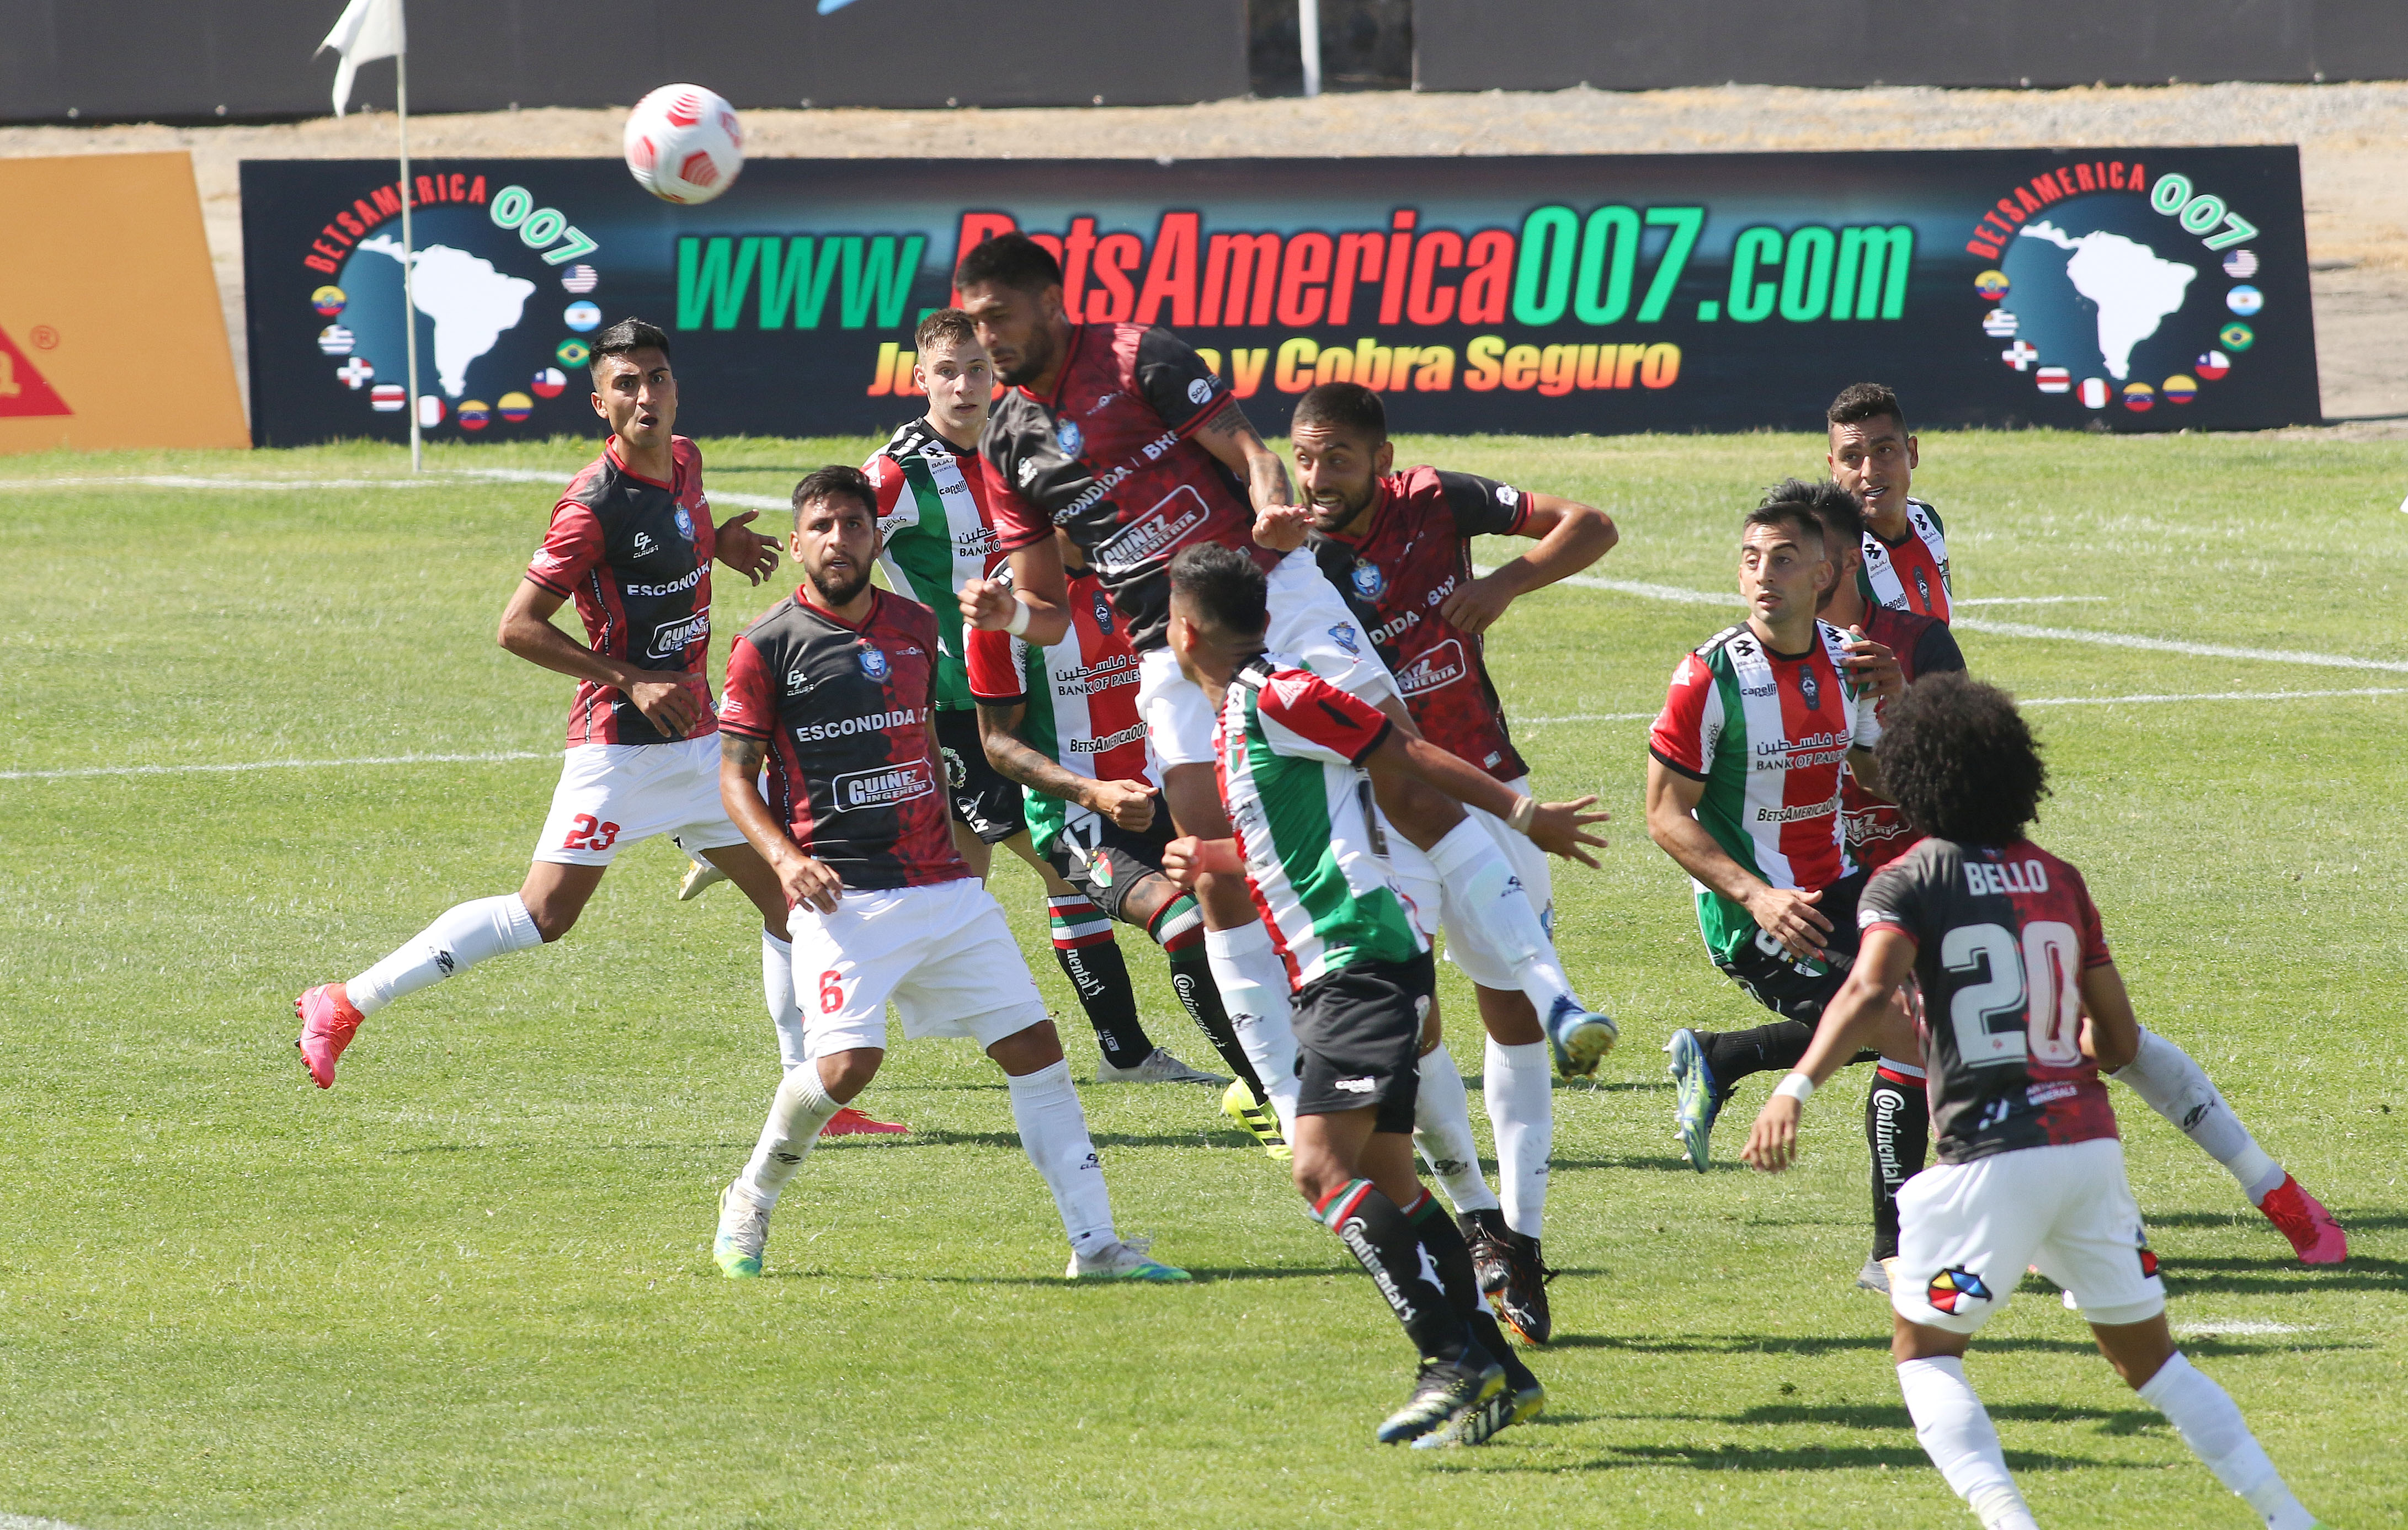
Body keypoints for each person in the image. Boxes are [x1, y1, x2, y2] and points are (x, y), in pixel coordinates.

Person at [953, 231, 1613, 1164]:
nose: (988, 338)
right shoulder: (1006, 442)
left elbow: (1253, 454)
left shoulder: (1136, 355)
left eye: (999, 317)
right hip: (1167, 647)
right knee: (1212, 869)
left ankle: (1555, 997)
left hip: (1277, 594)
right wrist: (1001, 612)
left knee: (1401, 781)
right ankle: (1280, 1097)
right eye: (973, 322)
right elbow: (1051, 614)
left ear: (1051, 302)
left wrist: (1269, 506)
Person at [1741, 675, 2333, 1530]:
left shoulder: (1906, 878)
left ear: (1911, 778)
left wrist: (1796, 1086)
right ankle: (2289, 1518)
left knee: (1926, 1357)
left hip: (1990, 1155)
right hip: (2088, 1149)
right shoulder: (2060, 878)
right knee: (2156, 1367)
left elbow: (1871, 989)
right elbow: (2121, 1045)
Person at [1815, 483, 2345, 1272]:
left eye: (1810, 555)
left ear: (1846, 557)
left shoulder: (1912, 644)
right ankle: (2234, 1203)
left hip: (1936, 871)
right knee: (2054, 1044)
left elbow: (1939, 759)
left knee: (1951, 1055)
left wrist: (1890, 713)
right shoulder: (1760, 664)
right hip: (1870, 882)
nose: (1793, 573)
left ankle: (1928, 1248)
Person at [1160, 543, 1607, 1445]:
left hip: (1357, 962)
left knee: (1318, 1168)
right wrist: (1211, 857)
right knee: (1390, 1181)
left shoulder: (1275, 693)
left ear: (1183, 632)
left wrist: (1527, 817)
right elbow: (1298, 833)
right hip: (1351, 964)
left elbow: (1400, 749)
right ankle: (1502, 1370)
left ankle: (1449, 1355)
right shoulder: (1241, 713)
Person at [292, 318, 809, 1095]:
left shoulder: (688, 461)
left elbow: (670, 540)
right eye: (626, 384)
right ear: (599, 401)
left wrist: (718, 546)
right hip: (622, 748)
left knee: (791, 904)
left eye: (657, 377)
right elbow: (517, 627)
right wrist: (629, 677)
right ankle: (343, 1002)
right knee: (543, 916)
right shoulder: (590, 504)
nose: (646, 395)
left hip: (700, 744)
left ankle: (811, 1096)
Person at [707, 466, 1184, 1284]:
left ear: (873, 537)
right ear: (796, 544)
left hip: (943, 887)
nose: (838, 540)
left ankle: (1097, 1245)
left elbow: (927, 742)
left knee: (1035, 1048)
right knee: (845, 1070)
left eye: (854, 525)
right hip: (844, 896)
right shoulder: (768, 645)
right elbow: (734, 776)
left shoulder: (915, 625)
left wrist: (954, 845)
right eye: (821, 527)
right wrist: (786, 859)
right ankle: (751, 1196)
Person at [1291, 380, 1622, 1342]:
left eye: (1337, 460)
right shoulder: (1291, 558)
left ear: (1380, 462)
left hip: (1487, 781)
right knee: (1410, 1015)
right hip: (1380, 813)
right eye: (1305, 457)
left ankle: (1518, 1235)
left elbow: (1589, 524)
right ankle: (1473, 1214)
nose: (1316, 478)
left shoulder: (1437, 501)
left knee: (1508, 1009)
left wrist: (1505, 580)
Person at [966, 529, 1296, 1152]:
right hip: (1074, 818)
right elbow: (996, 744)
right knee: (1185, 926)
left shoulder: (1147, 576)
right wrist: (1090, 793)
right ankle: (1264, 1091)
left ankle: (1303, 1071)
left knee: (1276, 913)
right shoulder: (1001, 609)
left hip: (1180, 788)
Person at [1647, 495, 1920, 1180]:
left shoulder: (1845, 658)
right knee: (1918, 1035)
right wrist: (1758, 896)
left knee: (1951, 1014)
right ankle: (1905, 1241)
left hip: (1843, 886)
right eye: (1751, 560)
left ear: (1821, 575)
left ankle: (1720, 1057)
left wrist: (1903, 699)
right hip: (1760, 919)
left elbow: (1873, 775)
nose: (1764, 572)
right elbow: (1663, 813)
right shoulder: (1708, 677)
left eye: (1783, 559)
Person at [1825, 382, 1951, 623]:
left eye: (1884, 450)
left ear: (1912, 453)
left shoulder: (1927, 520)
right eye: (1851, 457)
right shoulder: (1834, 556)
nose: (1869, 472)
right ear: (1834, 468)